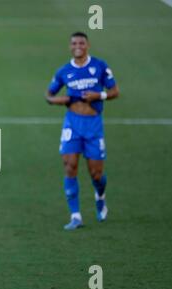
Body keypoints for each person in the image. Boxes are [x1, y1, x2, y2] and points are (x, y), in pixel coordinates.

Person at [45, 31, 119, 230]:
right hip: (72, 123)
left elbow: (114, 91)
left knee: (96, 173)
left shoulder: (99, 66)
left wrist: (99, 95)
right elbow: (49, 95)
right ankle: (76, 215)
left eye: (81, 42)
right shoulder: (64, 71)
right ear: (70, 46)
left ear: (87, 45)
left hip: (93, 124)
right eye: (74, 43)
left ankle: (100, 195)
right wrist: (62, 100)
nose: (78, 45)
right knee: (69, 166)